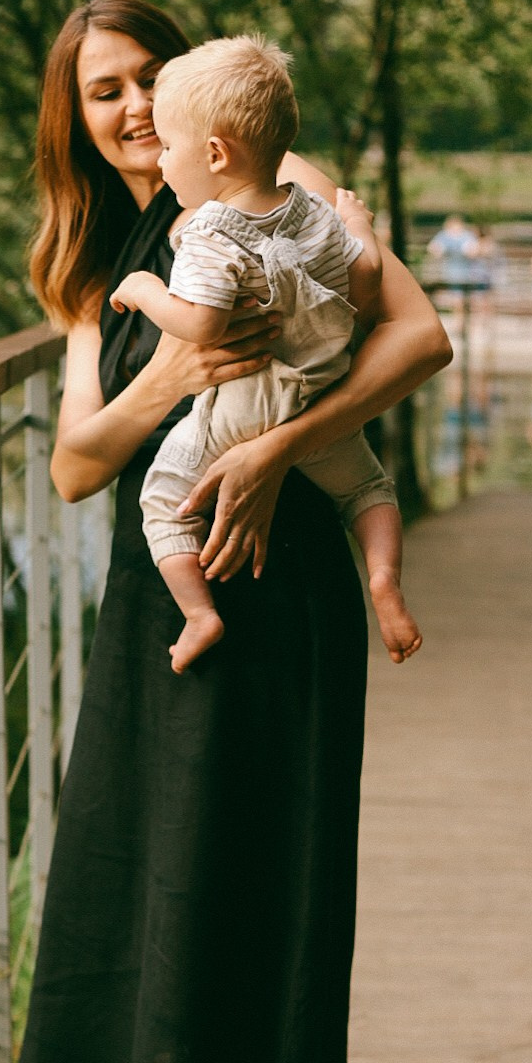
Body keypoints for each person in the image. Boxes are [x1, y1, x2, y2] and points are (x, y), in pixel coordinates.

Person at [17, 0, 450, 1063]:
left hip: (286, 573)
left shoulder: (278, 185)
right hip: (162, 591)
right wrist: (170, 385)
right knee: (174, 855)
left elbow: (417, 334)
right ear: (74, 121)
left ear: (200, 95)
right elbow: (76, 466)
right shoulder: (91, 265)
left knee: (279, 859)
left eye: (151, 77)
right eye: (104, 91)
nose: (134, 105)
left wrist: (268, 447)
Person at [108, 33, 421, 673]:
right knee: (366, 488)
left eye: (169, 147)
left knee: (161, 499)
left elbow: (200, 324)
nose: (161, 162)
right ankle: (384, 579)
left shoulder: (208, 232)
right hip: (324, 392)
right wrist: (359, 227)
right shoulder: (308, 211)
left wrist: (144, 289)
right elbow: (361, 286)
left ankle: (199, 614)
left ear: (215, 154)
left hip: (244, 409)